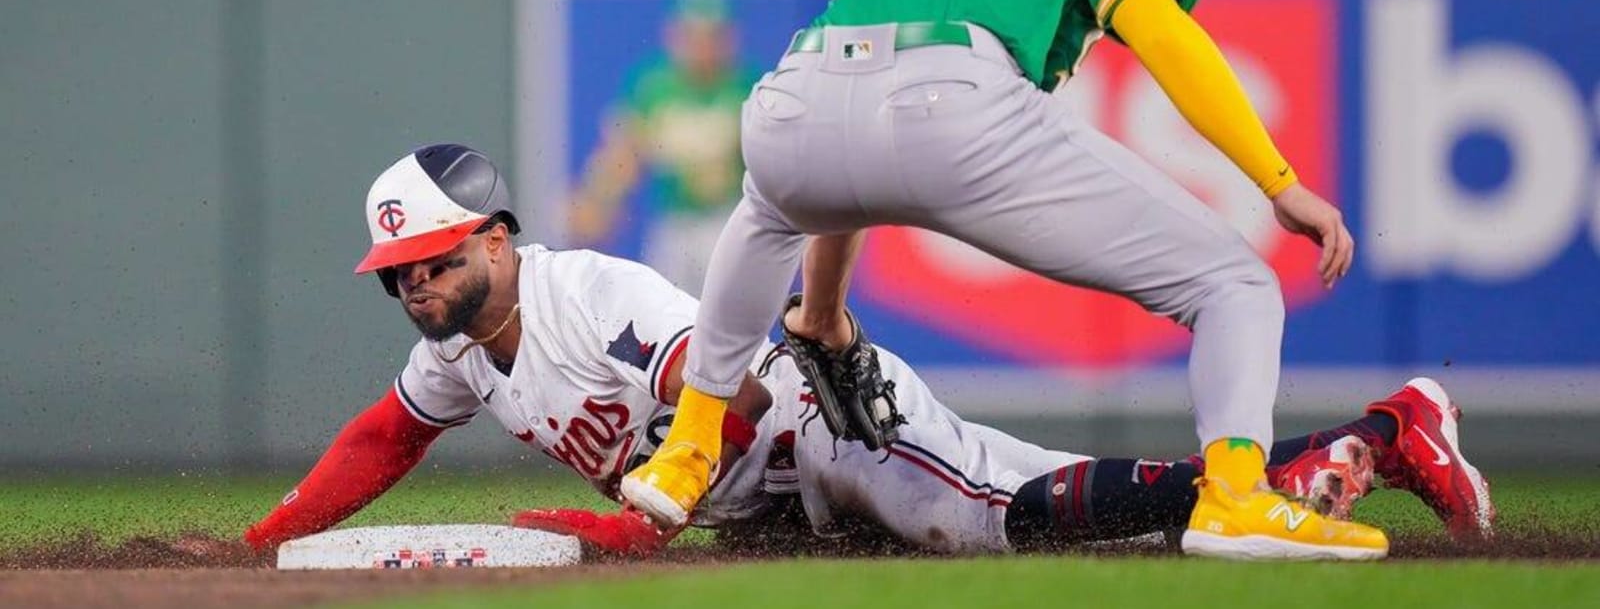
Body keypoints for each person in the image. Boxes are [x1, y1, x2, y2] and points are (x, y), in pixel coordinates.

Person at [624, 0, 1395, 560]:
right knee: (1236, 284)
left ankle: (688, 450)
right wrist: (1276, 180)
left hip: (794, 96)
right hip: (955, 98)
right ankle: (1234, 496)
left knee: (767, 207)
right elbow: (1166, 35)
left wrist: (823, 311)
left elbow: (847, 149)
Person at [225, 145, 1491, 560]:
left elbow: (707, 391)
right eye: (400, 275)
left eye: (437, 260)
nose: (418, 289)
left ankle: (1377, 433)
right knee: (1098, 528)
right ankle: (1367, 444)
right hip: (772, 511)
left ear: (497, 239)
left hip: (834, 429)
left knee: (1024, 517)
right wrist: (271, 538)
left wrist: (636, 521)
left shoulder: (581, 294)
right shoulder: (462, 349)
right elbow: (384, 435)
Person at [567, 0, 757, 295]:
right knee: (665, 318)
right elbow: (623, 153)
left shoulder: (746, 87)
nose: (702, 45)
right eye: (693, 34)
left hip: (729, 221)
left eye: (711, 35)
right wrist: (597, 199)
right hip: (674, 225)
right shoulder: (655, 89)